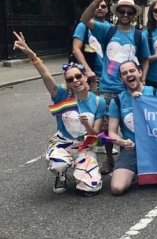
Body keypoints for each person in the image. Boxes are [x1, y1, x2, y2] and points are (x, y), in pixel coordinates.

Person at [13, 32, 105, 195]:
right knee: (58, 163)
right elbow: (46, 76)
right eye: (70, 79)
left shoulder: (98, 101)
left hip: (84, 144)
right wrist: (32, 55)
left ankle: (82, 171)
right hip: (63, 142)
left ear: (85, 76)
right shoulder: (62, 95)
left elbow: (95, 135)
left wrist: (87, 125)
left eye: (78, 76)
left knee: (91, 188)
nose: (75, 81)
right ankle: (61, 174)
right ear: (67, 83)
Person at [80, 0, 150, 174]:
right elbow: (85, 20)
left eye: (129, 12)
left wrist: (143, 79)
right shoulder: (107, 30)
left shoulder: (139, 35)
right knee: (106, 126)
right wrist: (96, 2)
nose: (125, 14)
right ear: (117, 13)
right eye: (122, 11)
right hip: (108, 86)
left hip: (130, 87)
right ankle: (110, 159)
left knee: (134, 123)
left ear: (134, 14)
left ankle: (138, 156)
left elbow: (145, 58)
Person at [108, 60, 157, 195]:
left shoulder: (156, 93)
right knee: (117, 188)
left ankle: (143, 170)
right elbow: (112, 132)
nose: (129, 74)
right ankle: (137, 171)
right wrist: (122, 142)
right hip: (132, 149)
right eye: (124, 73)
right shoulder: (117, 100)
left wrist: (144, 103)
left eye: (132, 71)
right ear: (121, 78)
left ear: (140, 72)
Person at [71, 0, 108, 92]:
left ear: (107, 10)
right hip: (90, 76)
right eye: (97, 6)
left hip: (107, 76)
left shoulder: (110, 27)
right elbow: (76, 49)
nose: (100, 8)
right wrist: (87, 70)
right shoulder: (83, 26)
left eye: (103, 6)